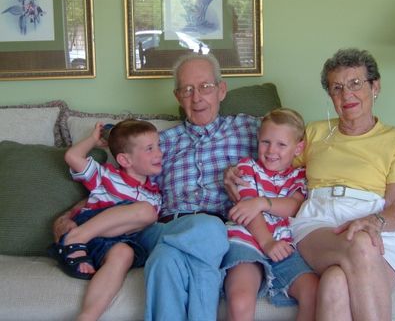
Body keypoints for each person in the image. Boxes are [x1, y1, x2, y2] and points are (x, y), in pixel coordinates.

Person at [52, 53, 261, 321]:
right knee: (202, 233)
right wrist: (67, 218)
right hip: (162, 227)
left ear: (221, 90)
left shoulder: (250, 129)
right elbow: (115, 190)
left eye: (205, 87)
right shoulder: (159, 144)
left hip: (217, 226)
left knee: (168, 256)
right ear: (177, 97)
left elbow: (292, 150)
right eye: (187, 90)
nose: (196, 97)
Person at [226, 48, 395, 321]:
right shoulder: (315, 133)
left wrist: (375, 221)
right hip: (319, 223)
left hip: (376, 228)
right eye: (337, 88)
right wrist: (236, 174)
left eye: (355, 84)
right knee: (360, 244)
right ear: (330, 95)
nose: (346, 95)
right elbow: (274, 163)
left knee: (334, 283)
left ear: (375, 86)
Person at [49, 119, 163, 321]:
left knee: (124, 253)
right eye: (150, 149)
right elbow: (72, 156)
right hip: (89, 225)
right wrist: (92, 140)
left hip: (114, 241)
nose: (159, 153)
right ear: (125, 160)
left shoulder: (155, 195)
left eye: (158, 146)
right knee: (147, 212)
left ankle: (88, 316)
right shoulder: (106, 175)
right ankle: (75, 237)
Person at [222, 108, 318, 321]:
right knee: (239, 299)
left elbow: (295, 206)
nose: (271, 150)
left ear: (298, 148)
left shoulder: (299, 176)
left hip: (284, 247)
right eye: (266, 142)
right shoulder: (247, 168)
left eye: (282, 144)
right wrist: (267, 242)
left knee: (313, 292)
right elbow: (247, 209)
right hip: (248, 242)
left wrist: (262, 202)